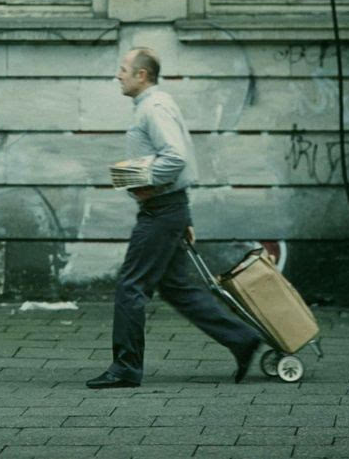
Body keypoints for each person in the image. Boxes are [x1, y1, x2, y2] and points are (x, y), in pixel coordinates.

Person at [86, 47, 262, 389]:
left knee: (131, 286)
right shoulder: (154, 105)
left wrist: (149, 184)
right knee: (177, 288)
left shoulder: (154, 108)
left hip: (161, 211)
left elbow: (176, 158)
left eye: (124, 69)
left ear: (142, 75)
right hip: (170, 209)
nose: (118, 75)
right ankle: (241, 338)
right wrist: (183, 215)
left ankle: (125, 368)